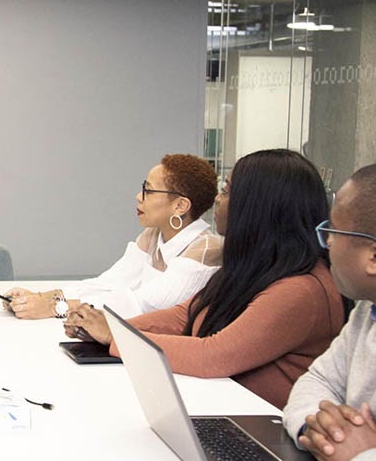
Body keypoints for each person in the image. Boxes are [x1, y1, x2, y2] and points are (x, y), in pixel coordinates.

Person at [67, 149, 345, 408]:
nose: (217, 201)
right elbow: (184, 315)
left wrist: (117, 335)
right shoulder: (254, 269)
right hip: (220, 405)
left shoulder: (301, 289)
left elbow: (213, 355)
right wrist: (108, 328)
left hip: (259, 430)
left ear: (257, 209)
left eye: (226, 192)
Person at [4, 154, 220, 320]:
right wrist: (42, 297)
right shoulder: (153, 235)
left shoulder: (205, 250)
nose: (139, 196)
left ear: (180, 206)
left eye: (149, 190)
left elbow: (139, 307)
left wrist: (55, 307)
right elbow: (108, 284)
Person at [283, 163, 376, 461]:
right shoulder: (365, 313)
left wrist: (362, 459)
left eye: (334, 232)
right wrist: (321, 428)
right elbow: (318, 380)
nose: (328, 244)